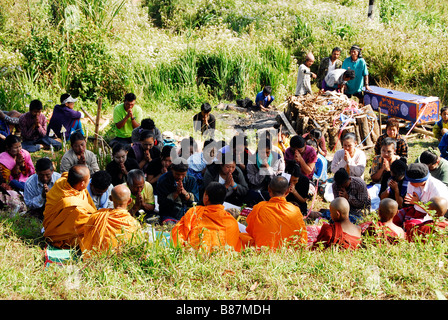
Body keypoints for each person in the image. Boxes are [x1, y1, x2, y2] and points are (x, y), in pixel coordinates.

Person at [239, 176, 307, 249]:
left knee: (241, 236)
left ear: (269, 189)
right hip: (289, 251)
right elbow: (302, 236)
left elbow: (250, 230)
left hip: (263, 250)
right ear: (287, 192)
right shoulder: (295, 210)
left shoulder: (259, 207)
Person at [171, 182, 242, 253]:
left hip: (194, 255)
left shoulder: (195, 212)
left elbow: (178, 234)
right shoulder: (231, 221)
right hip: (221, 258)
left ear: (206, 197)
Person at [80, 184, 142, 258]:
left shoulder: (97, 216)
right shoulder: (134, 224)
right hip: (123, 262)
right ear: (129, 201)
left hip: (98, 261)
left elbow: (86, 238)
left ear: (110, 198)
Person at [43, 164, 96, 249]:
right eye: (88, 179)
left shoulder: (61, 182)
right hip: (58, 234)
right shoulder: (73, 206)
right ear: (82, 183)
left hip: (55, 225)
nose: (89, 180)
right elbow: (88, 224)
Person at [393, 163, 448, 232]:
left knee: (411, 226)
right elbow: (409, 200)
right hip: (415, 210)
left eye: (412, 182)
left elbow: (437, 213)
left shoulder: (437, 189)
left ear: (420, 180)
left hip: (429, 216)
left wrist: (418, 202)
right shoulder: (412, 183)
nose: (410, 183)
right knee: (394, 216)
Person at [156, 157, 199, 222]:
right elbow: (162, 203)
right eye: (177, 174)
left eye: (183, 174)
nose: (180, 177)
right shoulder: (163, 180)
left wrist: (185, 193)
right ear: (172, 169)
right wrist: (175, 194)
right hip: (169, 215)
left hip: (188, 214)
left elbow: (196, 201)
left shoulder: (192, 180)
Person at [246, 138, 285, 206]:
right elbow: (252, 180)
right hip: (258, 190)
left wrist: (268, 169)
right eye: (262, 152)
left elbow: (280, 179)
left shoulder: (277, 159)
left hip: (274, 190)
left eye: (267, 152)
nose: (265, 155)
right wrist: (262, 170)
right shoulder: (252, 161)